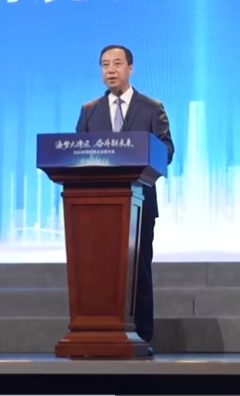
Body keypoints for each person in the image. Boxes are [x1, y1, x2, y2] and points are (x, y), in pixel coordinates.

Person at [75, 44, 174, 352]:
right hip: (97, 207)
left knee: (138, 268)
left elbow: (167, 151)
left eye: (117, 63)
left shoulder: (151, 108)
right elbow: (76, 153)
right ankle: (98, 332)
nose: (111, 70)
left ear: (131, 68)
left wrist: (138, 153)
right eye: (105, 64)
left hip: (140, 203)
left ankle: (142, 336)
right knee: (98, 271)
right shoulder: (90, 111)